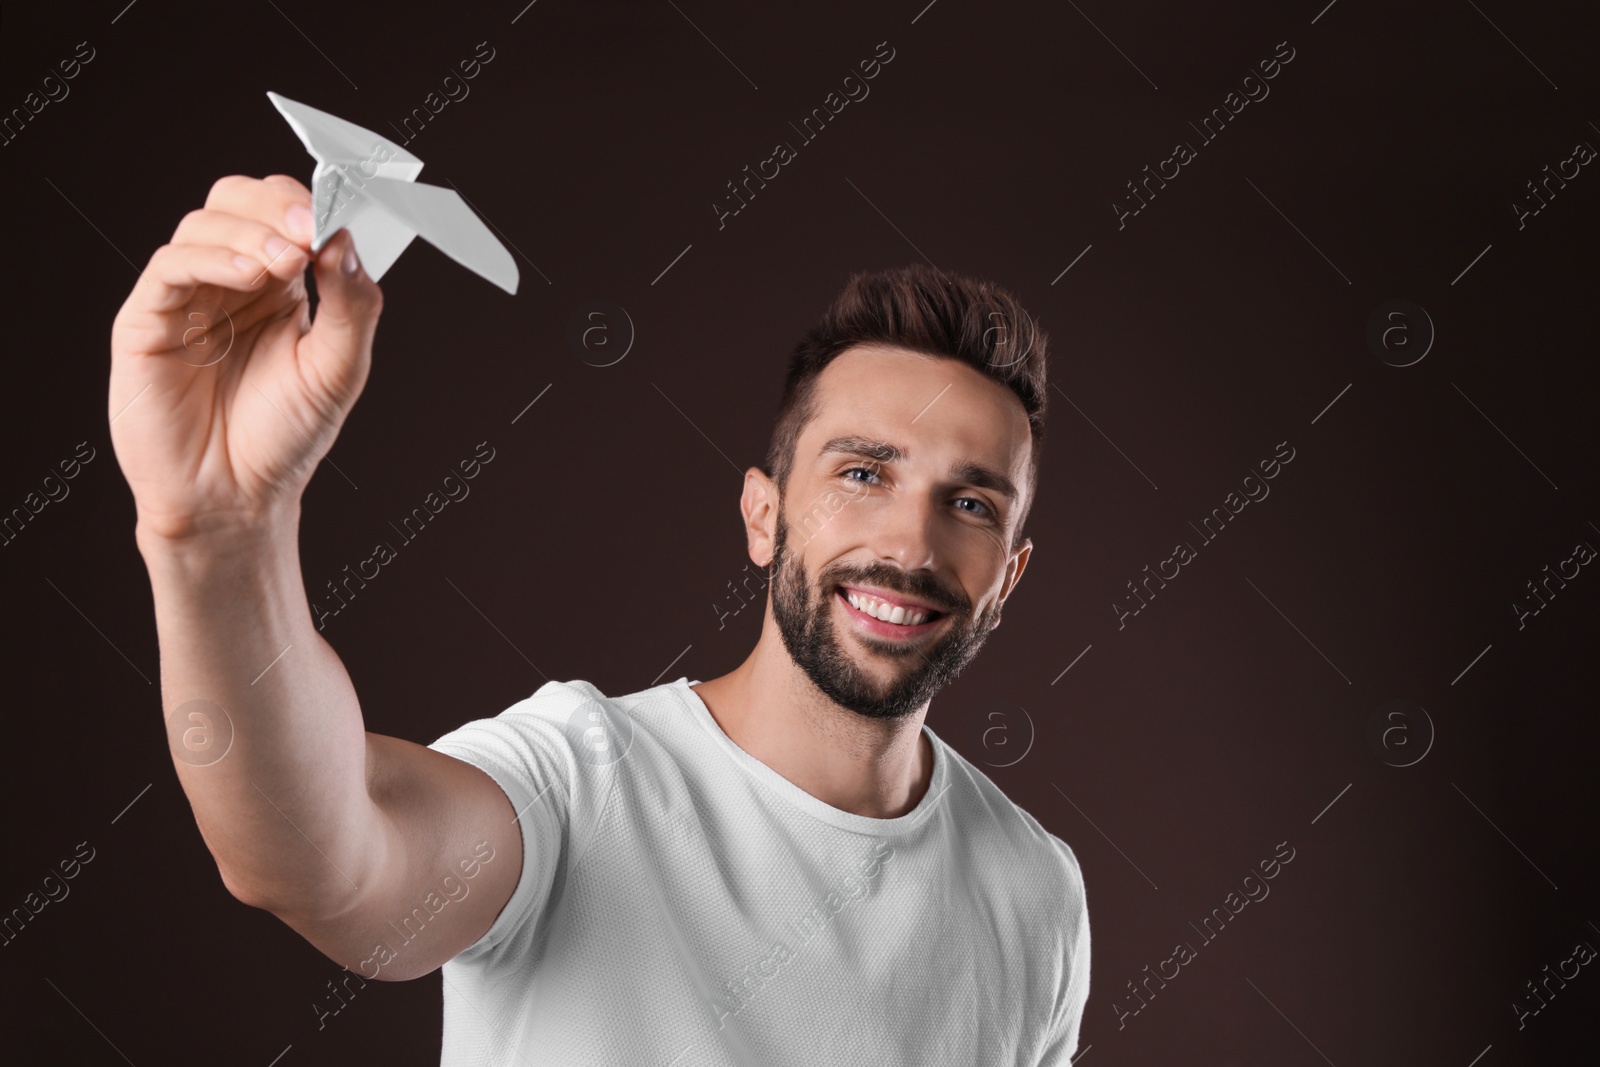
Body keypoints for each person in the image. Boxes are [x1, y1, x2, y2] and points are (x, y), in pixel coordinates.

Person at [108, 174, 1091, 1064]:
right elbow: (318, 856)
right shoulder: (581, 782)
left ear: (1008, 575)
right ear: (763, 514)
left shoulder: (1035, 890)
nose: (910, 544)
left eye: (970, 504)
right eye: (862, 473)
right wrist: (222, 537)